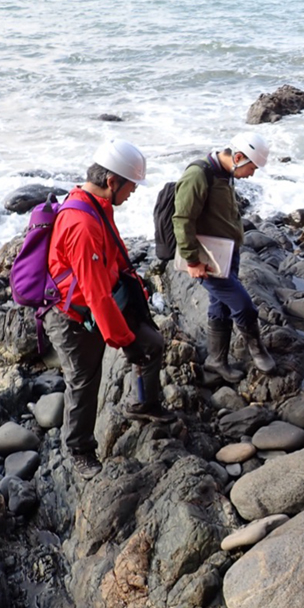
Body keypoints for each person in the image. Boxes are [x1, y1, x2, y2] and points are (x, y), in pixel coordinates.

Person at [44, 138, 173, 480]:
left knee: (152, 345)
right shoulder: (82, 223)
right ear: (112, 181)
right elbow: (95, 292)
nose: (134, 193)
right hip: (72, 317)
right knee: (84, 381)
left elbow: (111, 258)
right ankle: (79, 450)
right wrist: (121, 336)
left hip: (97, 303)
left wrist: (133, 284)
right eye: (132, 186)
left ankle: (143, 404)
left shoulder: (95, 205)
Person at [172, 132, 276, 381]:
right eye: (252, 168)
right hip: (207, 258)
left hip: (226, 253)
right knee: (244, 307)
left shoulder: (225, 174)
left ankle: (216, 361)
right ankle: (257, 351)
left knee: (220, 305)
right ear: (238, 157)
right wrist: (192, 261)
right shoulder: (199, 175)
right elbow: (182, 219)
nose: (252, 174)